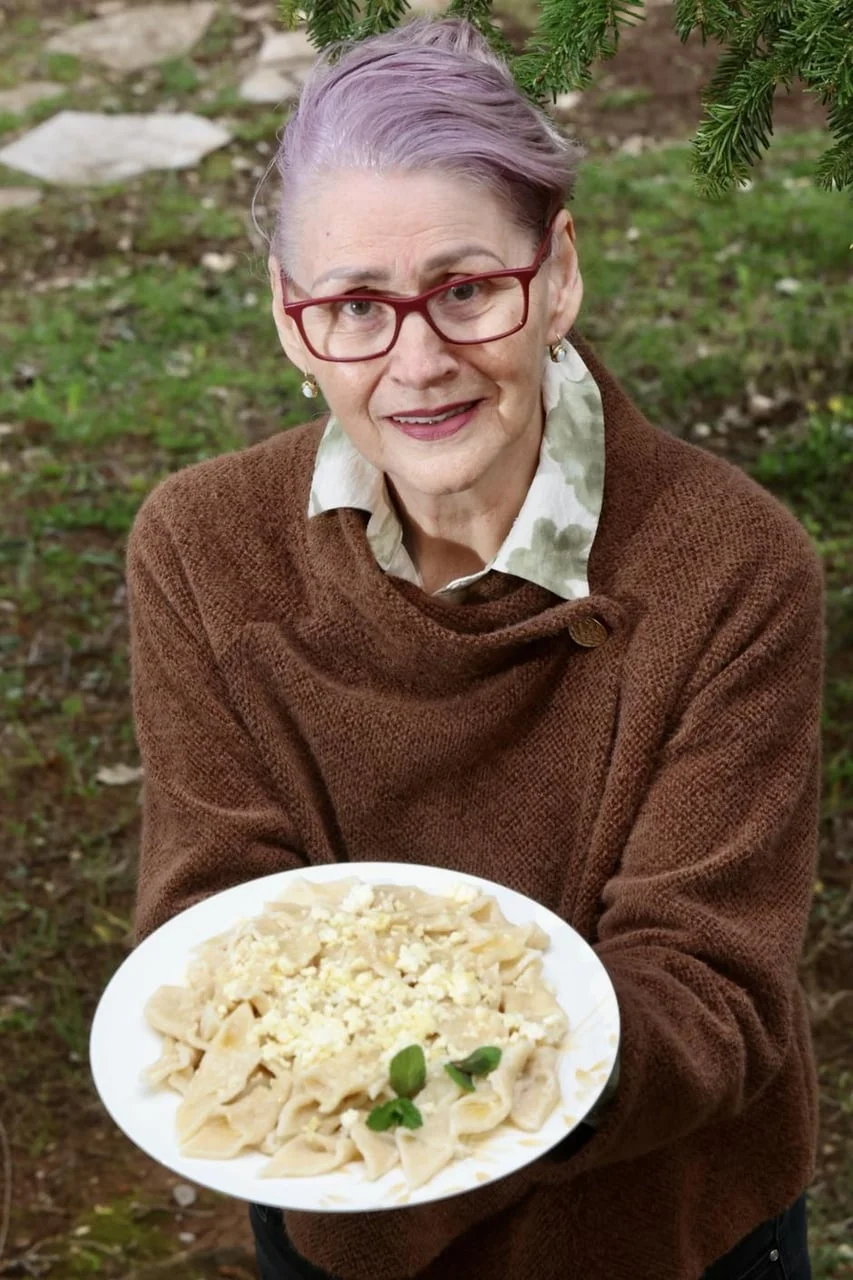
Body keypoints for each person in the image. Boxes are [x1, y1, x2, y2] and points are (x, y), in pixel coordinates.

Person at [128, 17, 822, 1280]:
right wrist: (348, 1103)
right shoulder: (202, 549)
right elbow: (215, 921)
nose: (418, 358)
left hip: (659, 1227)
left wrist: (475, 1068)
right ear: (292, 322)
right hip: (343, 1215)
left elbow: (711, 994)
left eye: (464, 287)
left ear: (556, 272)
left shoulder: (731, 564)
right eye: (353, 304)